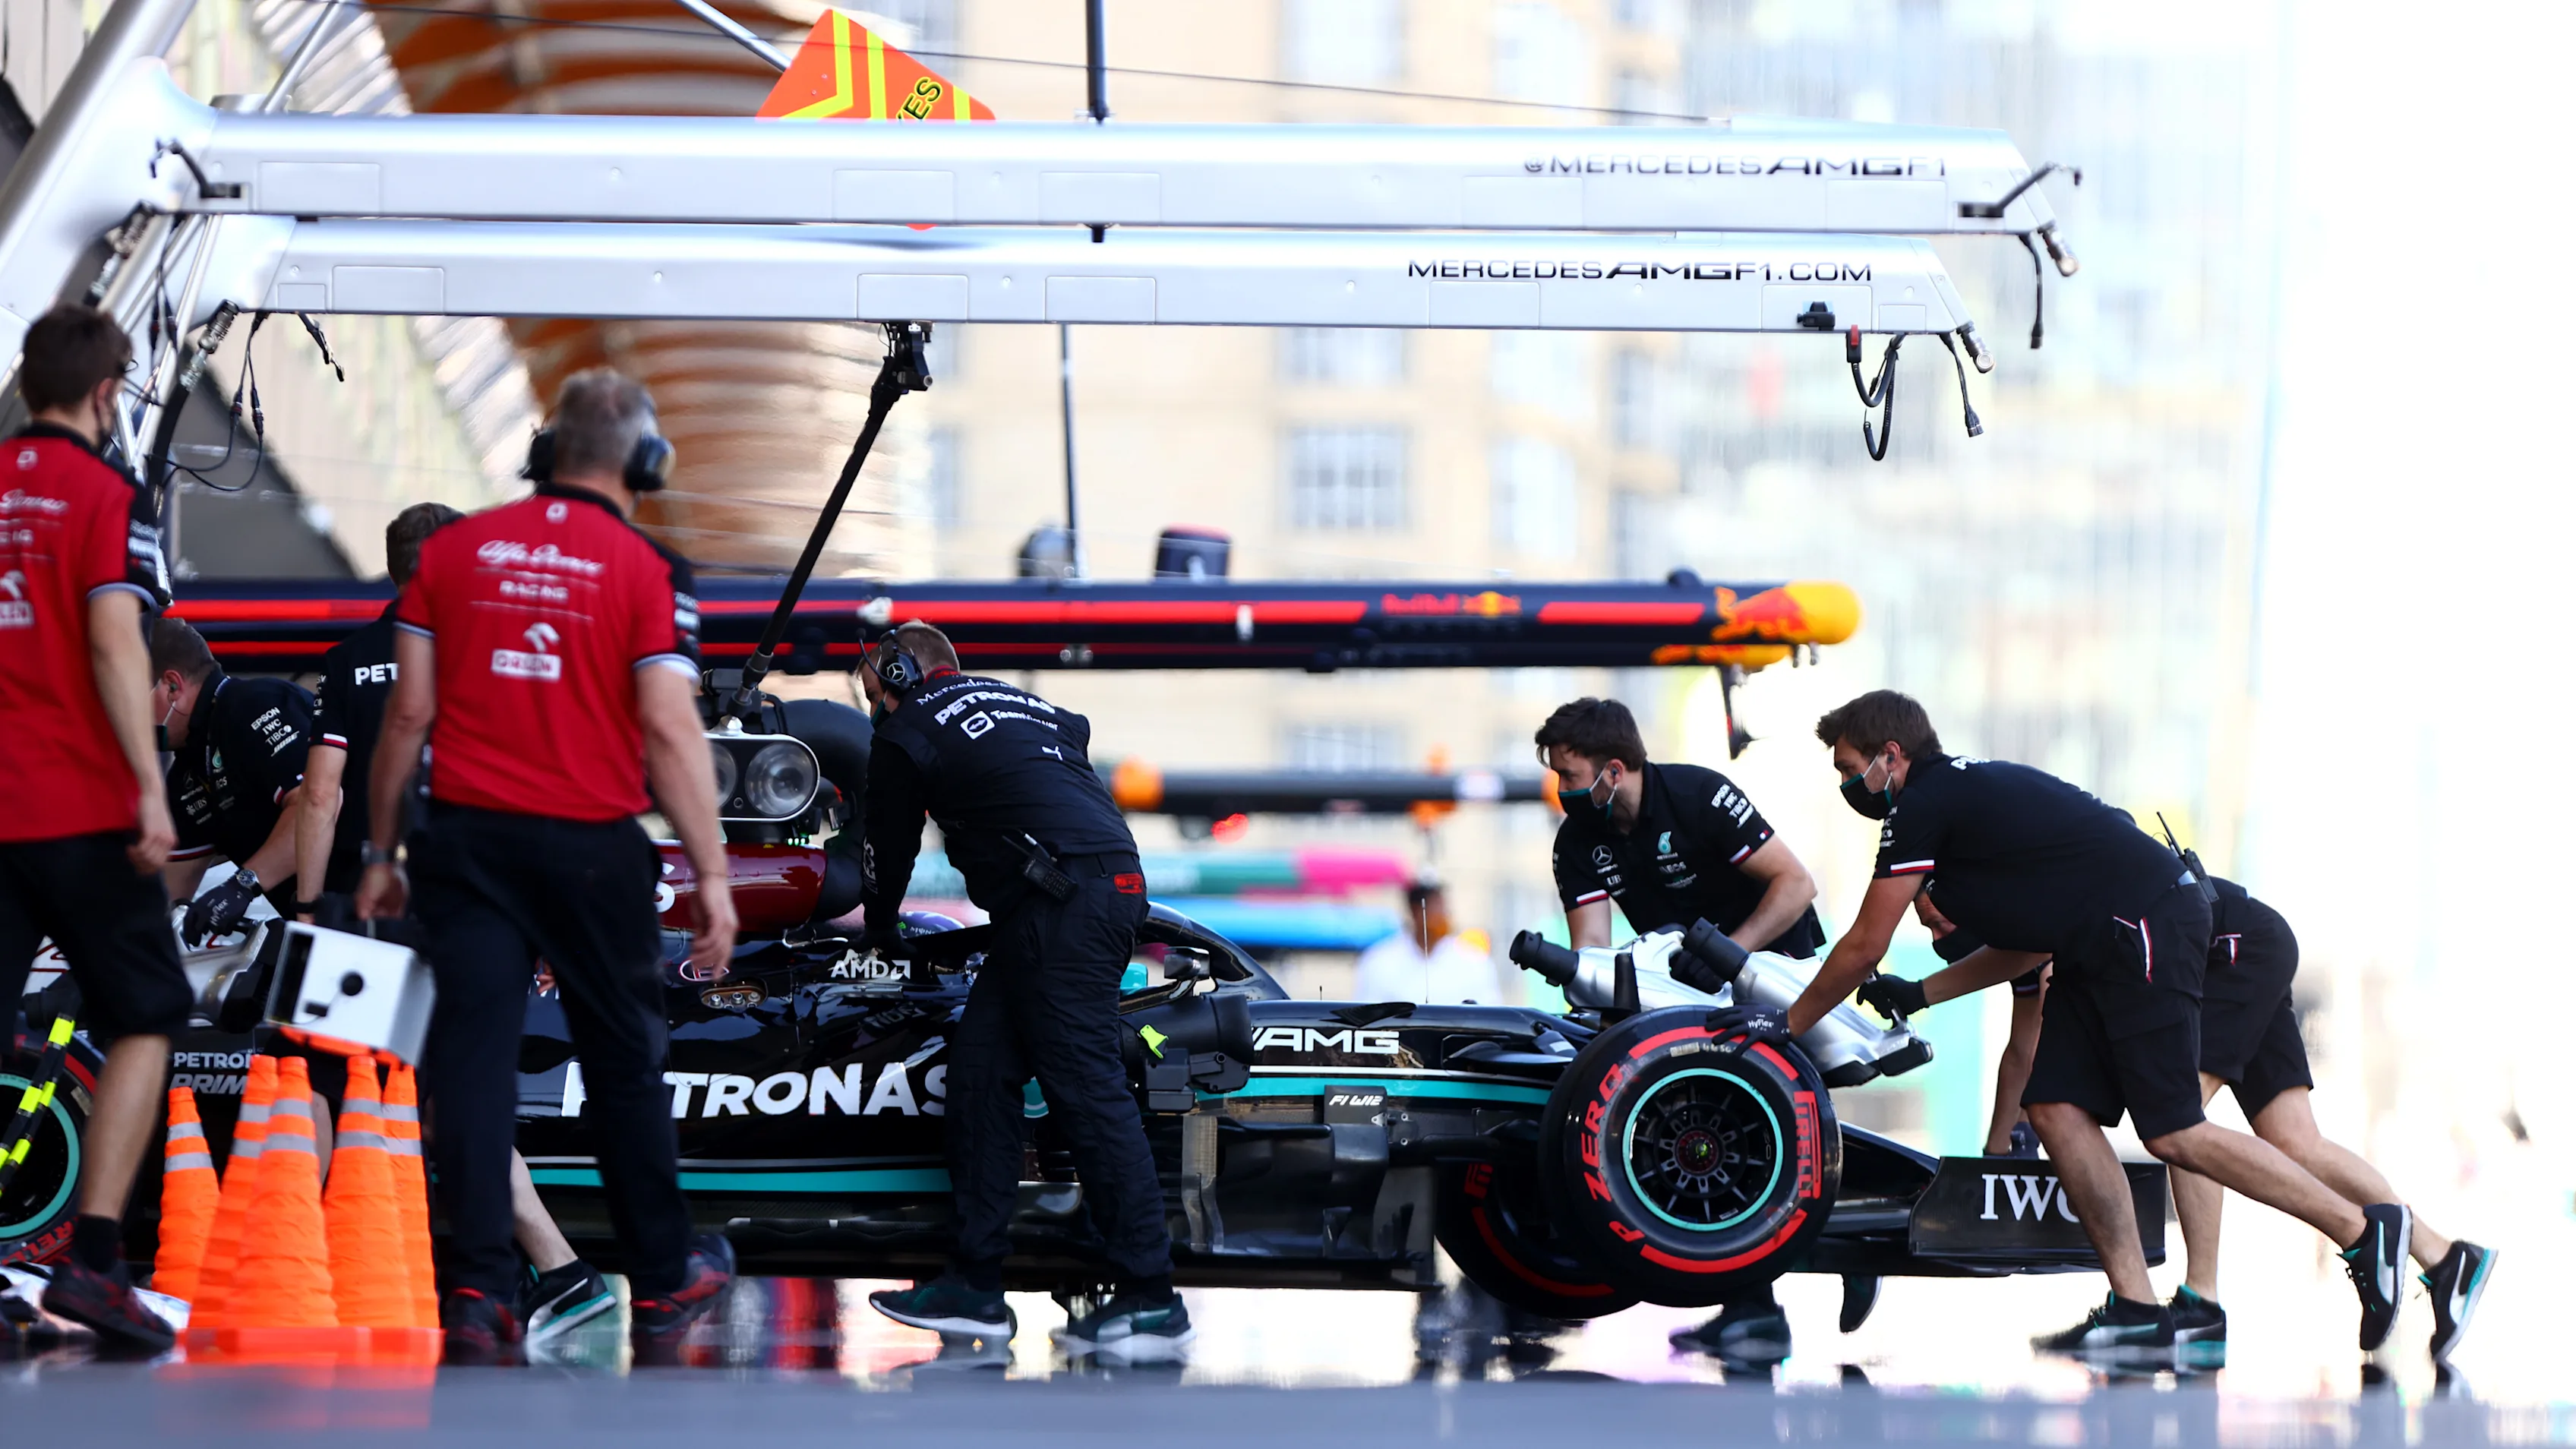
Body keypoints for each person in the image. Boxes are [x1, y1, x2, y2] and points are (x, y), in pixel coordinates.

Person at [1787, 690, 2411, 1360]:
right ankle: (2138, 1309)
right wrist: (1923, 993)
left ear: (1892, 755)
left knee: (2175, 1128)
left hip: (2145, 923)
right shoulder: (1962, 810)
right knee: (2054, 1109)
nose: (1849, 786)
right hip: (2097, 939)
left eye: (1850, 769)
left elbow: (1862, 945)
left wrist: (1781, 1028)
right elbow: (2022, 957)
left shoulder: (1925, 804)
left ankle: (2356, 1230)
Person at [356, 368, 736, 1360]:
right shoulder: (652, 571)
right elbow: (666, 727)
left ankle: (478, 1291)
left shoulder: (454, 552)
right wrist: (714, 877)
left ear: (540, 453)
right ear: (646, 464)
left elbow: (407, 713)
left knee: (472, 1064)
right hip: (592, 845)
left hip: (466, 843)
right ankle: (661, 1278)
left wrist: (385, 850)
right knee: (624, 1062)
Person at [1876, 873, 2498, 1362]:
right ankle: (2447, 1260)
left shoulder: (2031, 926)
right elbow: (2022, 1049)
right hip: (2246, 940)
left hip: (2229, 949)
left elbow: (2027, 1039)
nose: (1926, 923)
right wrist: (1998, 1149)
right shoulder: (2025, 941)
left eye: (1929, 908)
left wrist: (1997, 1143)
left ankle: (2204, 1301)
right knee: (2294, 1139)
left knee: (2180, 1124)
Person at [295, 500, 616, 1342]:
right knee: (452, 1099)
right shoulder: (496, 657)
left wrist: (306, 906)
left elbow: (321, 795)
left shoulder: (354, 659)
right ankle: (559, 1271)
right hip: (471, 902)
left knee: (328, 1084)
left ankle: (325, 1265)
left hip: (361, 914)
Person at [857, 621, 1193, 1359]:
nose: (874, 708)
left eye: (873, 692)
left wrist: (878, 930)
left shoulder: (907, 726)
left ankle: (1151, 1301)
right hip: (1092, 891)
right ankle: (974, 1287)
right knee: (980, 1073)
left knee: (1086, 1089)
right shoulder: (1030, 706)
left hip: (1059, 908)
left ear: (899, 676)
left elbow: (886, 844)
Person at [0, 304, 188, 1350]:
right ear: (108, 393)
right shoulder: (109, 494)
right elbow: (120, 645)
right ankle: (96, 1261)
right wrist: (147, 788)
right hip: (75, 802)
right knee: (149, 1010)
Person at [1533, 696, 1821, 1364]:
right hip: (1684, 988)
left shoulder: (1699, 794)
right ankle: (1754, 1309)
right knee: (1709, 1136)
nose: (1562, 790)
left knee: (1778, 1135)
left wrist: (1732, 951)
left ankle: (1820, 1245)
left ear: (1613, 768)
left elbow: (1796, 884)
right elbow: (1595, 958)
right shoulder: (1577, 842)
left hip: (1776, 970)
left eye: (1570, 776)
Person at [152, 618, 317, 942]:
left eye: (126, 698)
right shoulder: (188, 772)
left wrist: (243, 884)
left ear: (172, 686)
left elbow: (316, 806)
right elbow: (165, 904)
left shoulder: (255, 703)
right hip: (322, 938)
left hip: (381, 909)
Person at [1912, 885, 2045, 1158]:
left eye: (1939, 924)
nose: (1937, 938)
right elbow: (2020, 1053)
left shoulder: (2035, 927)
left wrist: (2024, 1128)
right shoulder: (2020, 948)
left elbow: (2048, 1042)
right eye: (1929, 929)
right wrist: (1994, 1156)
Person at [1354, 879, 1501, 1005]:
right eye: (1436, 907)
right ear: (1416, 911)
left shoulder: (1474, 962)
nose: (1444, 915)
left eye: (1443, 907)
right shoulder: (1378, 962)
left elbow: (1490, 1016)